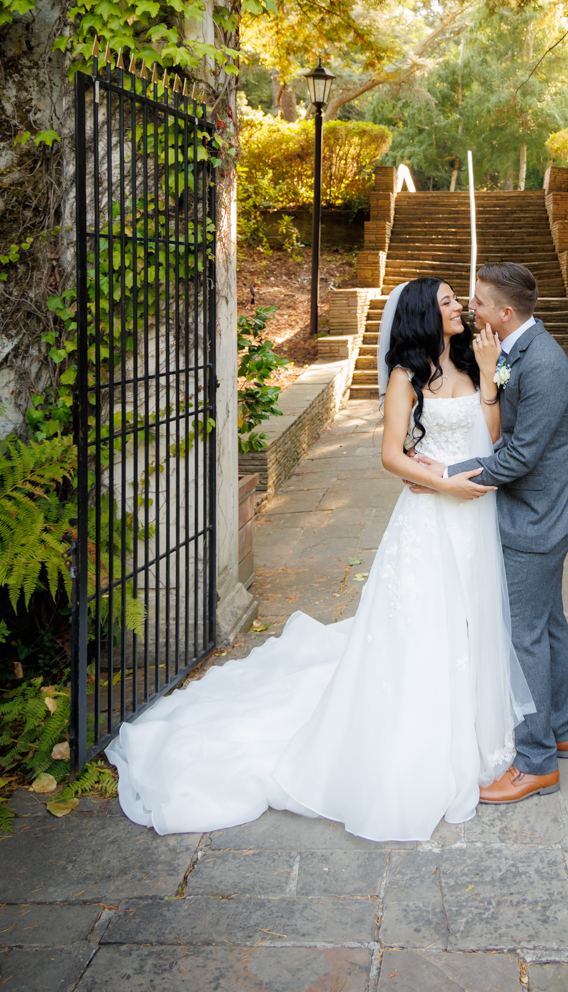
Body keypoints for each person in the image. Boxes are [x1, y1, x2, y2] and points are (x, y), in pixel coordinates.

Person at [106, 277, 533, 843]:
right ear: (423, 316)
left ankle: (475, 727)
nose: (459, 309)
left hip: (475, 515)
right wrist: (436, 479)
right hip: (432, 516)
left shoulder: (474, 362)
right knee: (427, 622)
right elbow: (391, 456)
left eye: (459, 300)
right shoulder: (407, 377)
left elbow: (494, 436)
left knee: (475, 616)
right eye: (449, 301)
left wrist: (488, 382)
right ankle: (418, 735)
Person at [413, 262, 568, 804]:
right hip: (548, 510)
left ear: (505, 313)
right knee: (550, 624)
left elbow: (517, 456)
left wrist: (444, 474)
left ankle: (535, 763)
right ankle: (560, 729)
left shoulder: (544, 367)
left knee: (525, 636)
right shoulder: (518, 351)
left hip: (537, 518)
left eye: (479, 304)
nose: (471, 311)